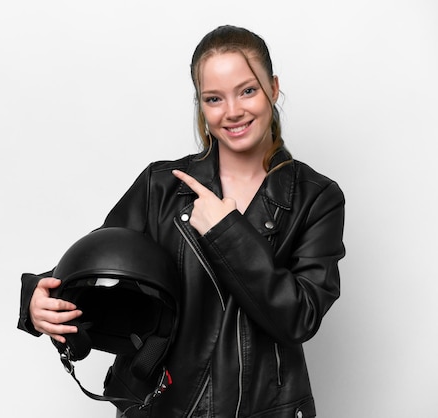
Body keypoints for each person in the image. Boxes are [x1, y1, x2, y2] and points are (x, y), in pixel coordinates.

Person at [18, 25, 345, 418]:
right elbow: (101, 267)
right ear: (201, 105)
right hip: (162, 405)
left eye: (248, 90)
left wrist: (227, 231)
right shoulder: (161, 186)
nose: (233, 111)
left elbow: (299, 316)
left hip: (263, 409)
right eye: (214, 98)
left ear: (273, 88)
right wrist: (40, 298)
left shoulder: (317, 198)